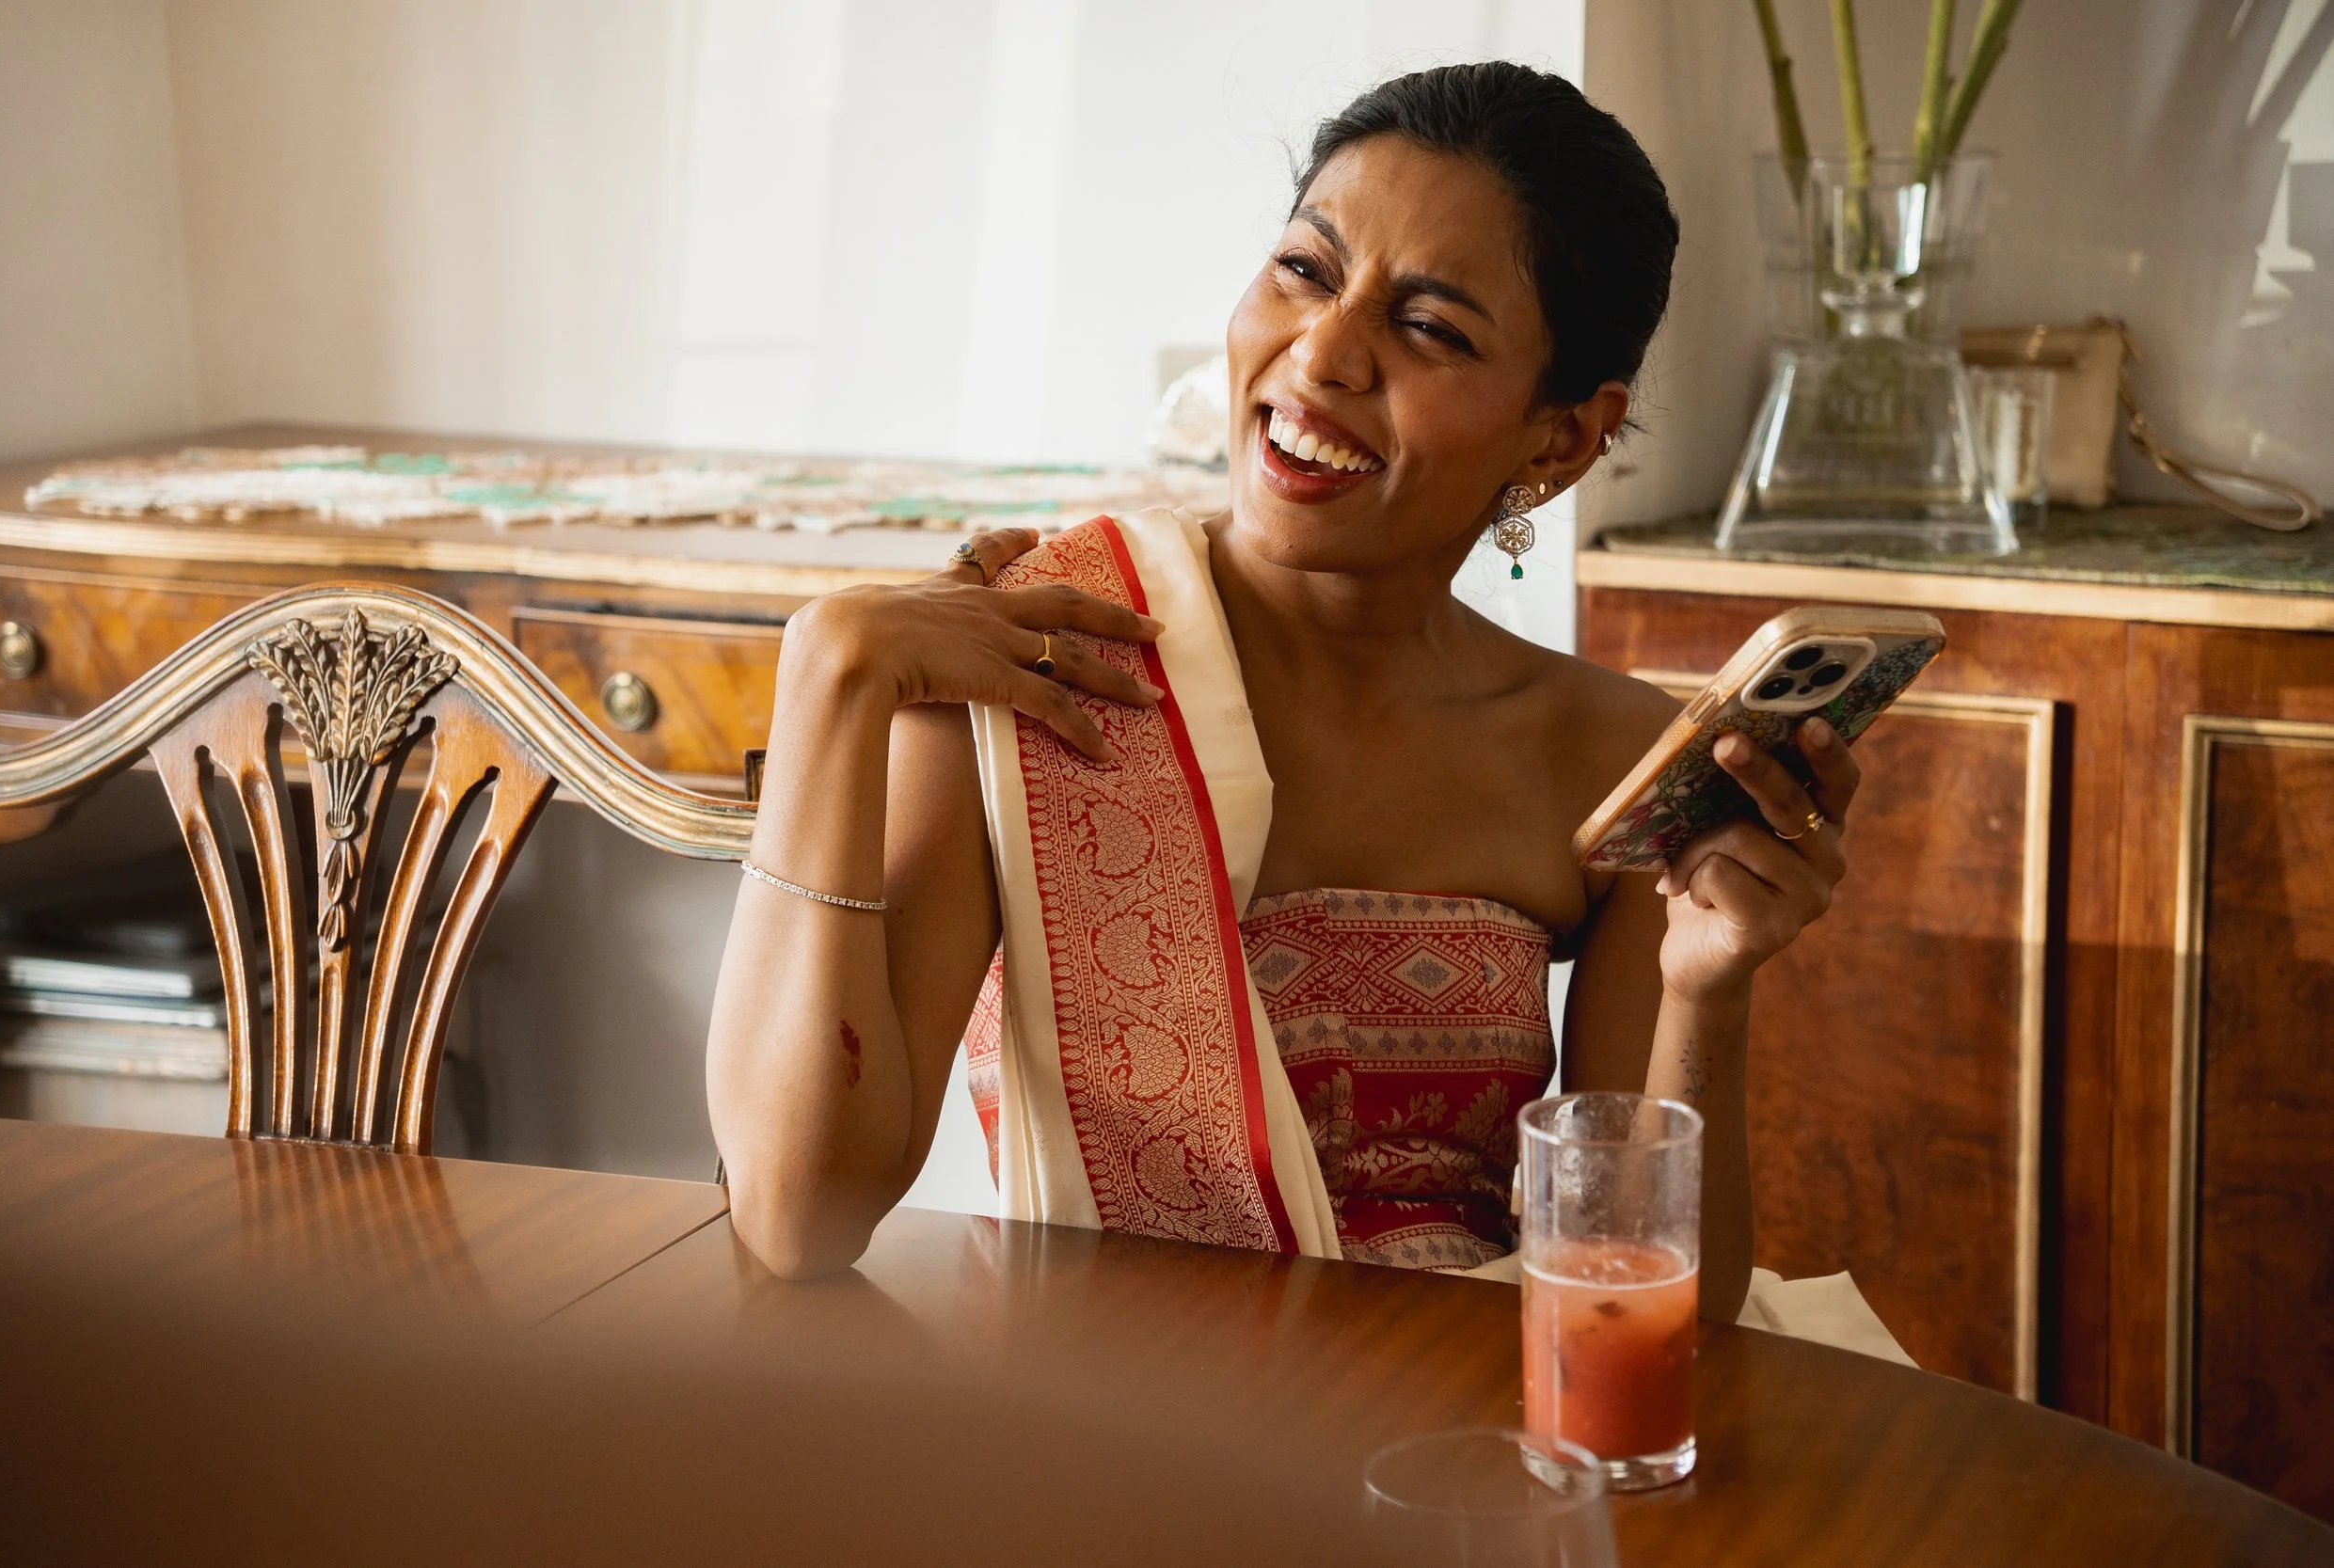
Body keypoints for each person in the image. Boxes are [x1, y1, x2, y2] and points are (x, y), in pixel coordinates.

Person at [706, 61, 1857, 1323]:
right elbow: (794, 1215)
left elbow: (1657, 1312)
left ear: (1563, 436)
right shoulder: (1044, 655)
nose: (1324, 353)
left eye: (1430, 328)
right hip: (1116, 1454)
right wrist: (830, 677)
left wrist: (1708, 982)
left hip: (1461, 1454)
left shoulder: (1613, 753)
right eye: (1305, 270)